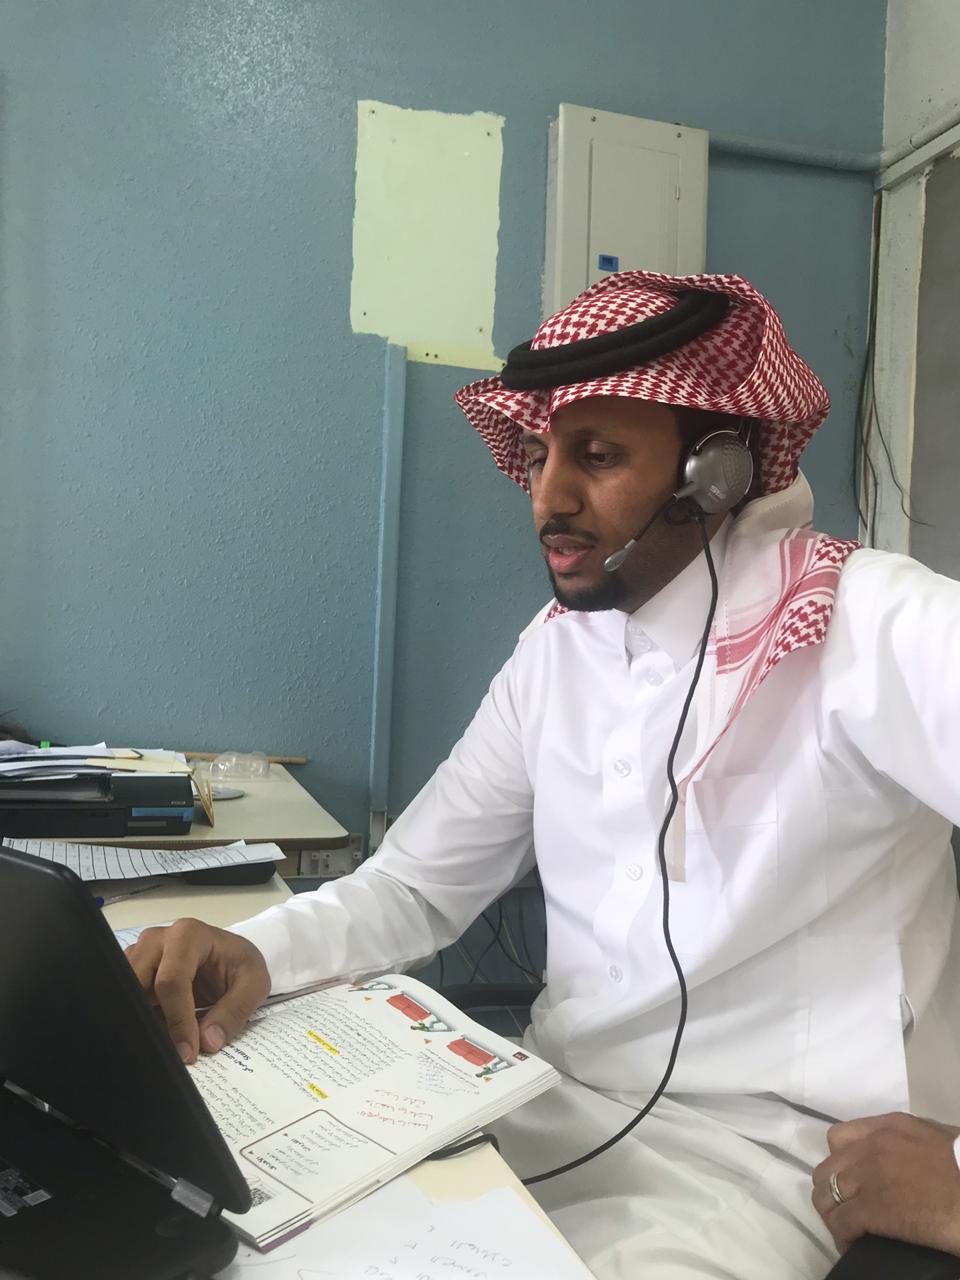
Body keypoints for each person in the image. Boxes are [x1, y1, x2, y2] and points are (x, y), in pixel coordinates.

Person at [127, 271, 960, 1278]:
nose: (550, 499)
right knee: (219, 1226)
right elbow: (415, 885)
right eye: (537, 456)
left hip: (773, 1166)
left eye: (597, 458)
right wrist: (256, 949)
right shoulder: (559, 648)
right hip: (546, 1101)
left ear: (719, 471)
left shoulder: (874, 621)